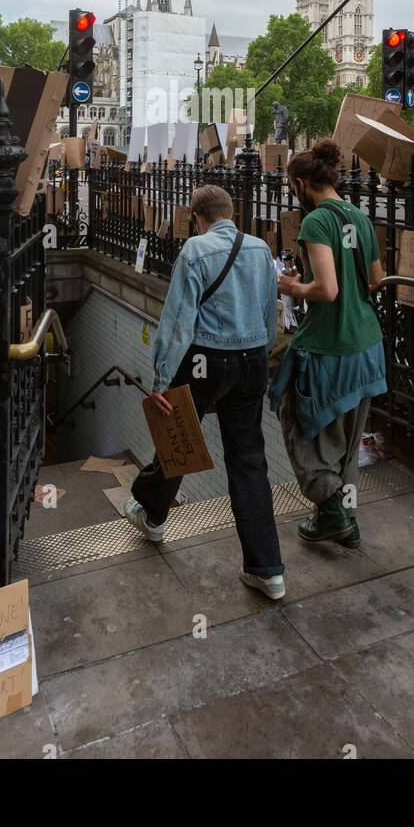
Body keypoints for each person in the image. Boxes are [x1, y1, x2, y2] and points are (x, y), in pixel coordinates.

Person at [124, 182, 286, 599]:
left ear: (197, 217)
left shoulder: (195, 251)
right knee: (249, 460)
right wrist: (262, 356)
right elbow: (272, 315)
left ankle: (152, 511)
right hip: (251, 359)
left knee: (181, 440)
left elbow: (178, 321)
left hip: (204, 360)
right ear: (231, 212)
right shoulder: (260, 250)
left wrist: (161, 378)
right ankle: (267, 570)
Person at [270, 139, 387, 546]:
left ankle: (331, 511)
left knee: (300, 427)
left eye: (292, 188)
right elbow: (375, 279)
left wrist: (292, 286)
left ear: (302, 183)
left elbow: (327, 289)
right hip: (368, 347)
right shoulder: (360, 216)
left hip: (330, 347)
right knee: (347, 444)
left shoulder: (317, 221)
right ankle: (343, 522)